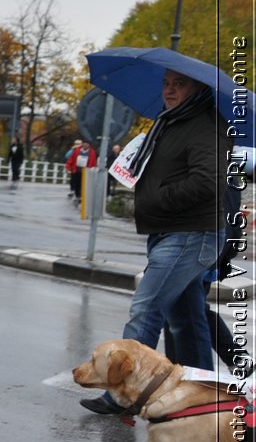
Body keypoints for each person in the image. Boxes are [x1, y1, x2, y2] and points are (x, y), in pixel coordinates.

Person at [80, 68, 231, 414]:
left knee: (145, 310)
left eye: (179, 84)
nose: (169, 90)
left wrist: (154, 198)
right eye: (166, 83)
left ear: (198, 89)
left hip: (191, 234)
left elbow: (207, 184)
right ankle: (202, 395)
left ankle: (120, 393)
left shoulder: (208, 127)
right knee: (188, 320)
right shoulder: (172, 121)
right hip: (174, 232)